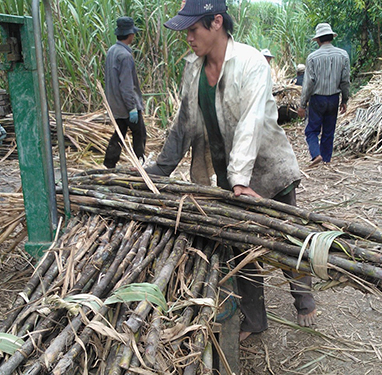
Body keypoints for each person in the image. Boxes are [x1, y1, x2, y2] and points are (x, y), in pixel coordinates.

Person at [147, 0, 316, 340]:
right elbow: (185, 125)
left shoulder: (251, 63)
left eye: (193, 29)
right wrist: (156, 174)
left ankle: (304, 301)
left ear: (216, 22)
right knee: (243, 249)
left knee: (284, 239)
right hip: (228, 176)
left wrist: (240, 178)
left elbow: (251, 123)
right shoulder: (193, 70)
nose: (188, 38)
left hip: (268, 169)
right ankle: (255, 320)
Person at [297, 23, 350, 167]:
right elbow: (345, 80)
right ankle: (326, 159)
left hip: (317, 98)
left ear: (318, 40)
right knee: (329, 130)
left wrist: (302, 104)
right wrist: (345, 100)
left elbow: (308, 83)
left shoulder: (313, 57)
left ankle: (316, 154)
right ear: (331, 37)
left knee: (312, 130)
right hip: (334, 98)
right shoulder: (343, 55)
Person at [103, 16, 146, 169]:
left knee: (119, 134)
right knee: (139, 133)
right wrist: (132, 108)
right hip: (126, 106)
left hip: (115, 104)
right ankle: (139, 162)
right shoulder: (125, 56)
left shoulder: (112, 51)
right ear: (131, 35)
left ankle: (109, 163)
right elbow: (127, 86)